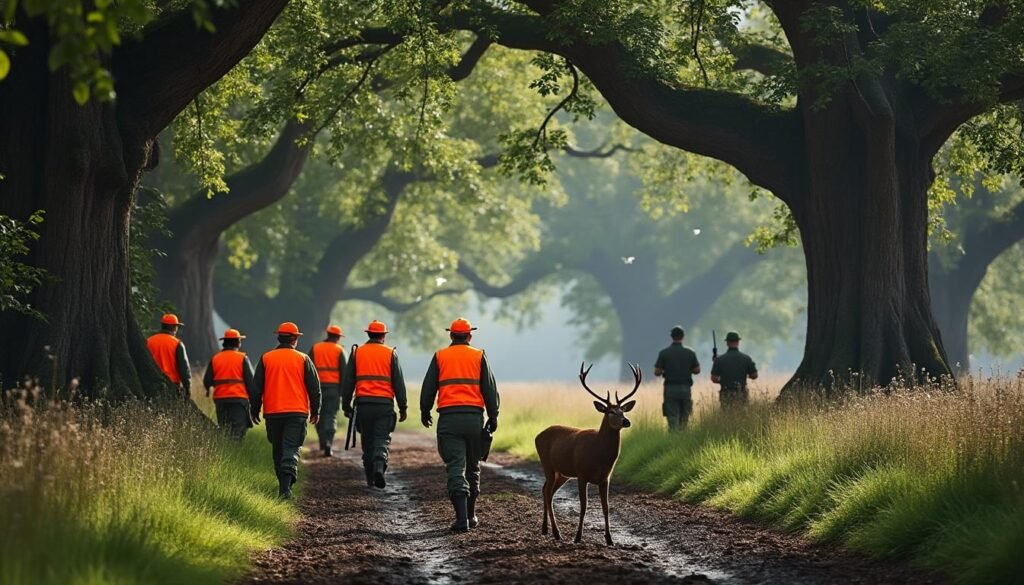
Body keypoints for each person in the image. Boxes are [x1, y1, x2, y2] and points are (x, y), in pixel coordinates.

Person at [420, 318, 499, 533]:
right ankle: (472, 515)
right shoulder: (479, 355)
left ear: (451, 335)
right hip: (474, 419)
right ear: (470, 336)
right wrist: (494, 416)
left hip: (449, 419)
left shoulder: (440, 356)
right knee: (473, 467)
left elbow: (428, 387)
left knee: (456, 467)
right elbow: (490, 389)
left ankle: (461, 519)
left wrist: (424, 410)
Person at [250, 322, 322, 499]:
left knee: (278, 450)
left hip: (273, 412)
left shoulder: (266, 358)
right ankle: (285, 489)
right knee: (291, 448)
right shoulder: (303, 358)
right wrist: (315, 410)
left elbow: (256, 387)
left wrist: (254, 409)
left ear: (278, 337)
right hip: (296, 412)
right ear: (294, 339)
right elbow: (315, 388)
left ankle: (284, 489)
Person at [341, 320, 407, 489]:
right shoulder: (390, 353)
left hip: (363, 404)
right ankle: (379, 467)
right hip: (384, 405)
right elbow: (398, 383)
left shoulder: (357, 353)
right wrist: (403, 407)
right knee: (381, 439)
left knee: (367, 440)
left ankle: (370, 478)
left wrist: (346, 404)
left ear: (368, 334)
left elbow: (348, 381)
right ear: (383, 336)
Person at [202, 328, 255, 441]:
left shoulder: (215, 358)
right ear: (237, 343)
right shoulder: (242, 358)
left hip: (221, 399)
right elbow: (251, 382)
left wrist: (210, 388)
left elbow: (207, 380)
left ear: (225, 342)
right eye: (239, 341)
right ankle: (234, 454)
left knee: (224, 429)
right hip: (238, 400)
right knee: (238, 431)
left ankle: (225, 450)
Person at [309, 325, 347, 457]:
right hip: (333, 389)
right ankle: (329, 442)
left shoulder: (315, 348)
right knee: (330, 415)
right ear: (337, 337)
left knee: (317, 413)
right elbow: (344, 373)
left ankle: (322, 441)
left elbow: (308, 370)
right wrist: (343, 393)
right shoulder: (339, 350)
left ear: (328, 334)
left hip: (317, 388)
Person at [653, 325, 701, 430]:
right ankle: (683, 435)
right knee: (685, 416)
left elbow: (657, 372)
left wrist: (665, 370)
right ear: (683, 336)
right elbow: (697, 370)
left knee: (672, 417)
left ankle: (674, 436)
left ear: (671, 337)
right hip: (685, 388)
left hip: (670, 388)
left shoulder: (664, 353)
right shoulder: (690, 353)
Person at [146, 314, 192, 397]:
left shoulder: (149, 341)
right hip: (172, 385)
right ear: (174, 327)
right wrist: (187, 387)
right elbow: (184, 368)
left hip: (151, 384)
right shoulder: (177, 343)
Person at [710, 331, 758, 409]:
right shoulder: (746, 358)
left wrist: (724, 379)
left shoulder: (719, 360)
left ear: (727, 343)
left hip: (726, 394)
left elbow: (714, 378)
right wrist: (743, 375)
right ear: (738, 342)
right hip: (742, 394)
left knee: (726, 418)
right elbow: (754, 375)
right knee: (742, 417)